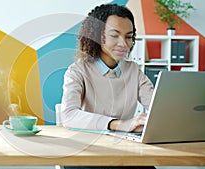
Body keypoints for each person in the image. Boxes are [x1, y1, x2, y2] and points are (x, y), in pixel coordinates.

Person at [60, 3, 155, 169]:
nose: (124, 44)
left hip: (123, 150)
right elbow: (69, 115)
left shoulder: (134, 70)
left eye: (128, 36)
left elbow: (156, 106)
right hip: (87, 152)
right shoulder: (78, 70)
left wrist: (146, 122)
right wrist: (119, 124)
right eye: (115, 35)